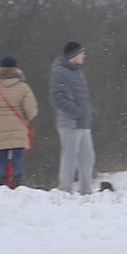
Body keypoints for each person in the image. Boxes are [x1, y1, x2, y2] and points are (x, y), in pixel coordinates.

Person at [0, 56, 38, 188]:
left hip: (1, 127)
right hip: (18, 126)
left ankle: (0, 181)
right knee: (17, 157)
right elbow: (31, 108)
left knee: (2, 158)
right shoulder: (23, 87)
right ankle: (17, 180)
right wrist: (26, 117)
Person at [49, 42, 95, 194]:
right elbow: (56, 97)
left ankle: (86, 190)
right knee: (69, 158)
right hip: (69, 122)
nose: (84, 55)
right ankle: (65, 189)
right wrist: (76, 111)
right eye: (81, 52)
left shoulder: (78, 72)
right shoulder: (59, 72)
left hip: (83, 122)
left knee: (87, 157)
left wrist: (87, 112)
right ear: (73, 55)